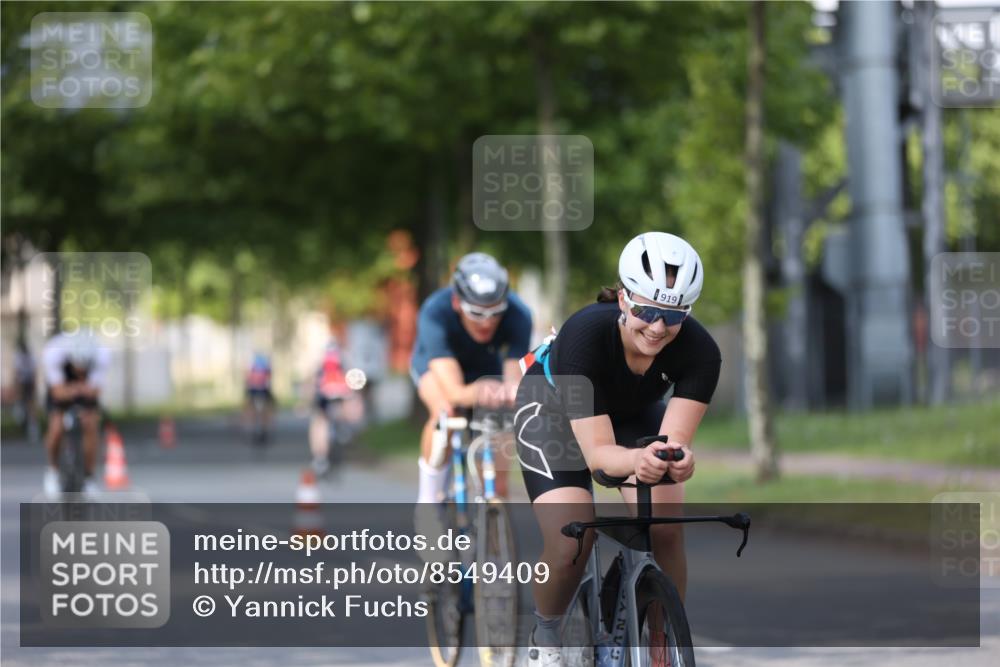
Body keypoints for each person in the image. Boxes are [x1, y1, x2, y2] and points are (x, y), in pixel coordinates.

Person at [514, 232, 721, 665]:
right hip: (553, 415)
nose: (658, 327)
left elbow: (673, 443)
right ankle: (545, 636)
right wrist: (637, 460)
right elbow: (600, 459)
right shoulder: (585, 335)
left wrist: (677, 459)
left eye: (673, 315)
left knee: (666, 528)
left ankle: (662, 644)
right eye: (647, 310)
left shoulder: (701, 351)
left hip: (630, 416)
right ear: (624, 299)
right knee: (572, 539)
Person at [410, 252, 532, 505]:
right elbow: (454, 392)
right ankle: (428, 502)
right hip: (436, 367)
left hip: (485, 367)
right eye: (476, 313)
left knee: (502, 418)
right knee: (446, 412)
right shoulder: (435, 312)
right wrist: (477, 391)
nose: (486, 323)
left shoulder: (519, 314)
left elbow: (513, 380)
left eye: (495, 312)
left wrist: (511, 393)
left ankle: (496, 508)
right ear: (457, 302)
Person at [41, 329, 112, 497]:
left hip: (84, 389)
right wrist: (76, 389)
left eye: (84, 367)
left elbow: (95, 391)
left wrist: (82, 390)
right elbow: (57, 392)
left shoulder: (102, 355)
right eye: (77, 366)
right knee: (56, 427)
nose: (80, 371)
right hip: (62, 385)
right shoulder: (53, 353)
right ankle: (53, 471)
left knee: (91, 425)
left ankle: (88, 477)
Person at [309, 338, 360, 474]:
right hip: (342, 394)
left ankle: (320, 457)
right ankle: (346, 429)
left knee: (319, 423)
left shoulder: (321, 363)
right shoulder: (344, 360)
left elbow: (314, 384)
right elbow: (353, 382)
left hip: (324, 396)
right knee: (347, 404)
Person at [244, 351, 274, 442]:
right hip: (262, 389)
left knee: (254, 410)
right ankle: (263, 431)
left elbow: (247, 376)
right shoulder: (265, 362)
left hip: (254, 389)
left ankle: (255, 430)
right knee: (264, 410)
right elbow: (269, 376)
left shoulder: (252, 362)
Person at [14, 337, 39, 442]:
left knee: (27, 403)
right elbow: (34, 372)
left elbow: (17, 372)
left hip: (25, 382)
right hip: (27, 382)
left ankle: (28, 422)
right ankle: (30, 425)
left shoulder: (19, 356)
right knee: (29, 404)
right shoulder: (29, 356)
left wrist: (16, 385)